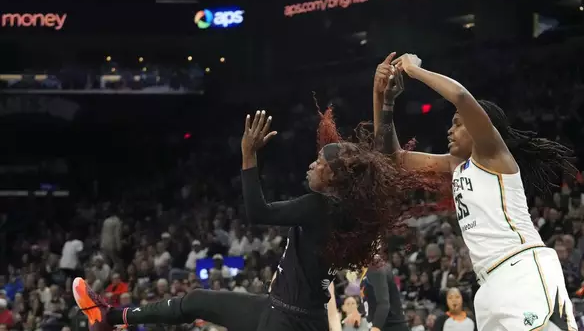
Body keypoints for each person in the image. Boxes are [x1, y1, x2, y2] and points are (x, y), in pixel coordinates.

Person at [73, 109, 447, 331]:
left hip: (286, 319)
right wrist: (386, 103)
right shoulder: (345, 209)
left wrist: (248, 156)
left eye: (319, 164)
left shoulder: (320, 206)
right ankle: (112, 316)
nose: (312, 165)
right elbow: (381, 156)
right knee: (198, 300)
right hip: (298, 314)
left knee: (197, 302)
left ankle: (111, 317)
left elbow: (257, 212)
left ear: (334, 178)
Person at [373, 52, 578, 330]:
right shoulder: (457, 165)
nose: (449, 129)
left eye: (457, 123)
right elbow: (392, 158)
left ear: (480, 128)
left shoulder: (493, 154)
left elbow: (461, 96)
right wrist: (383, 100)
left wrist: (414, 71)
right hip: (488, 286)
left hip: (521, 268)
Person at [359, 261, 408, 331]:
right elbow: (369, 302)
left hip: (392, 326)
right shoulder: (366, 274)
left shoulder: (375, 270)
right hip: (382, 325)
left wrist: (376, 326)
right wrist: (357, 312)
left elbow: (384, 303)